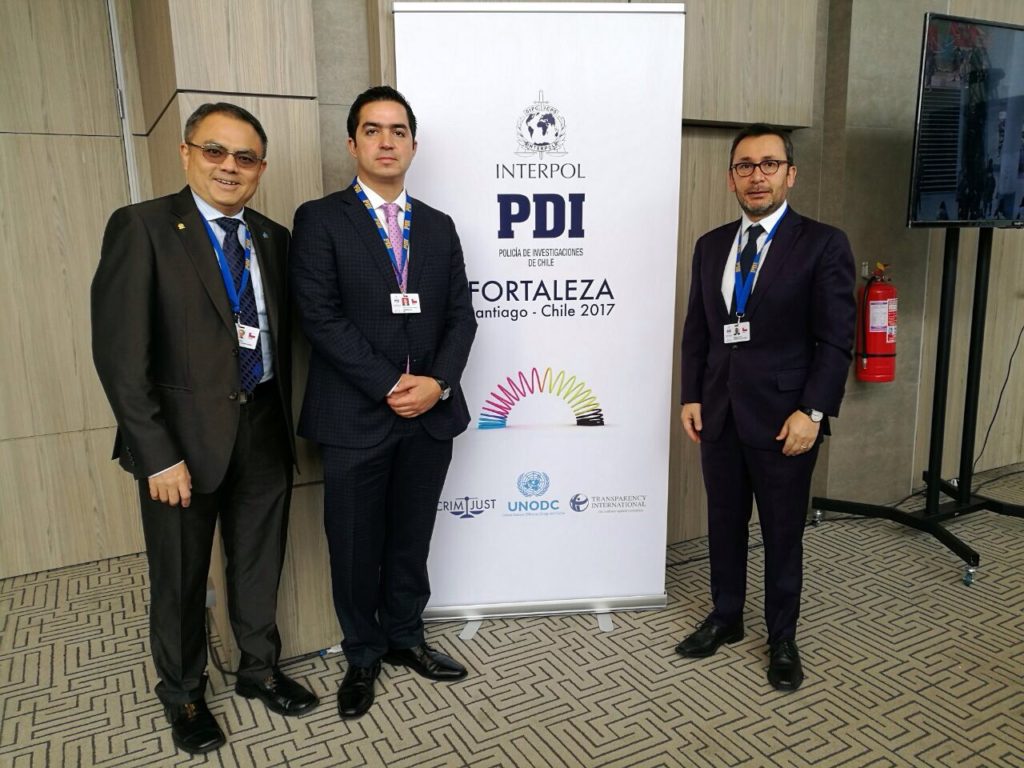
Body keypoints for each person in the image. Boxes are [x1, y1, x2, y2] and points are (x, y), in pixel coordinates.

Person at [91, 103, 319, 755]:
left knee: (258, 562)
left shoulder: (272, 237)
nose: (229, 167)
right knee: (181, 576)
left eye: (245, 157)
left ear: (260, 169)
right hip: (179, 443)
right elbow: (120, 357)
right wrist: (156, 454)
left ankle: (258, 669)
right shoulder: (142, 226)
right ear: (186, 153)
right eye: (215, 151)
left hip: (263, 427)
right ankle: (184, 692)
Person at [290, 86, 477, 719]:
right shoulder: (320, 219)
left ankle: (405, 636)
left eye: (398, 131)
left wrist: (437, 383)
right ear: (352, 144)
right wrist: (392, 384)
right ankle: (362, 653)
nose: (387, 141)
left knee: (410, 538)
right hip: (356, 416)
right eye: (373, 130)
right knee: (353, 544)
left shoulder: (439, 226)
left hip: (430, 416)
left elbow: (462, 316)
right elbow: (319, 316)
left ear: (414, 145)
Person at [676, 123, 856, 691]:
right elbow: (698, 332)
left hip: (785, 421)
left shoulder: (823, 244)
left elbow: (836, 340)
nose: (757, 176)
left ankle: (782, 637)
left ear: (790, 174)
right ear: (730, 178)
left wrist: (813, 413)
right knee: (723, 523)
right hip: (720, 414)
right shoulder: (711, 246)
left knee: (782, 534)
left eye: (769, 164)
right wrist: (691, 395)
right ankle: (726, 616)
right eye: (745, 166)